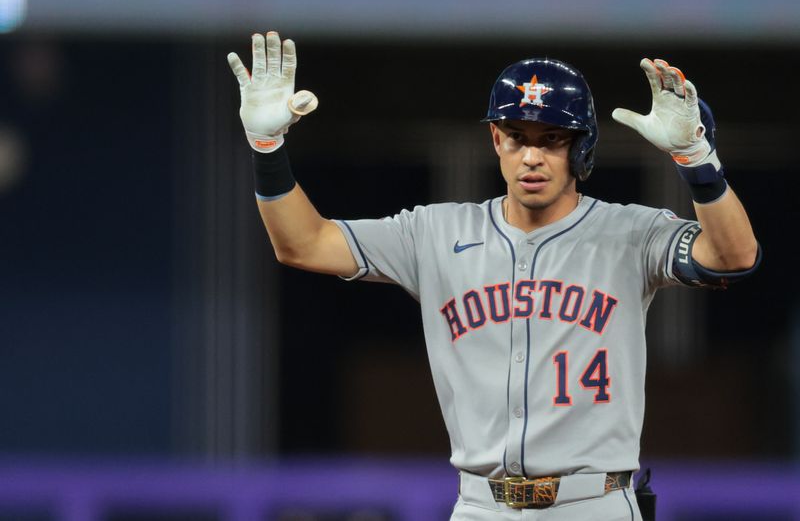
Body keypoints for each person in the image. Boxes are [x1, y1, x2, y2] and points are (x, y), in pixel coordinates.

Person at [227, 32, 760, 520]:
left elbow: (734, 256)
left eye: (552, 138)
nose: (532, 156)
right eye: (515, 135)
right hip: (481, 505)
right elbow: (302, 243)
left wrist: (696, 159)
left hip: (591, 502)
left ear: (581, 146)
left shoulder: (629, 232)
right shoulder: (434, 232)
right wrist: (268, 151)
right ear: (494, 142)